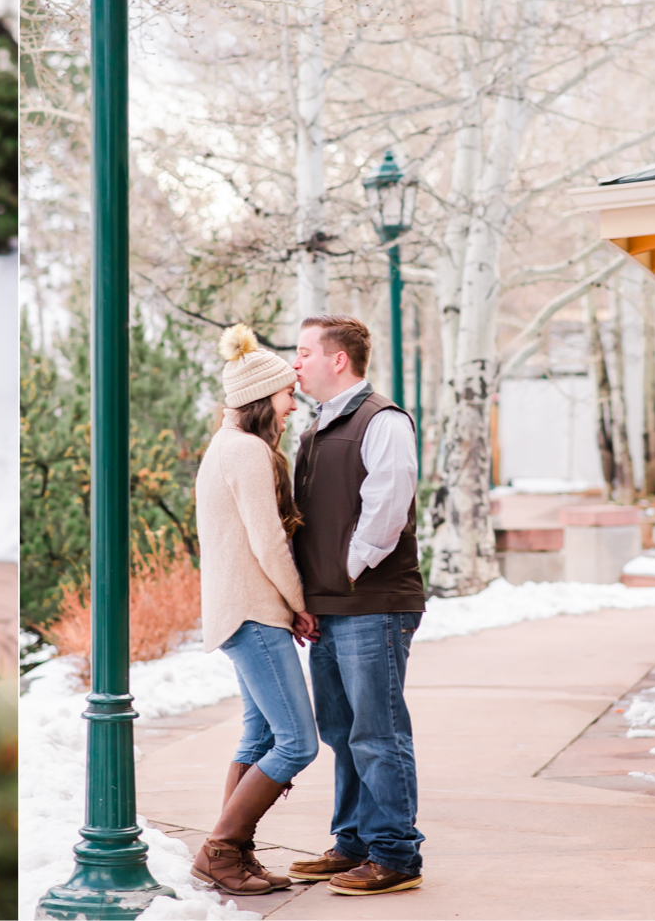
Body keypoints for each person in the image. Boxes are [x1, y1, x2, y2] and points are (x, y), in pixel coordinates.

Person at [285, 314, 423, 896]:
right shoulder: (315, 428)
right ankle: (352, 844)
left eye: (304, 351)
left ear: (338, 359)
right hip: (331, 607)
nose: (296, 362)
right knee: (342, 731)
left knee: (378, 731)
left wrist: (343, 572)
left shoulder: (383, 420)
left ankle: (395, 855)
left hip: (373, 602)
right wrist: (309, 594)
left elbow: (387, 507)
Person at [189, 324, 320, 895]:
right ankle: (219, 850)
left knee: (259, 735)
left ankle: (235, 854)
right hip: (253, 611)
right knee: (298, 742)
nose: (293, 405)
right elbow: (268, 541)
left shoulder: (226, 445)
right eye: (287, 395)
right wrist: (299, 604)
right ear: (264, 399)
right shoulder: (244, 450)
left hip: (237, 609)